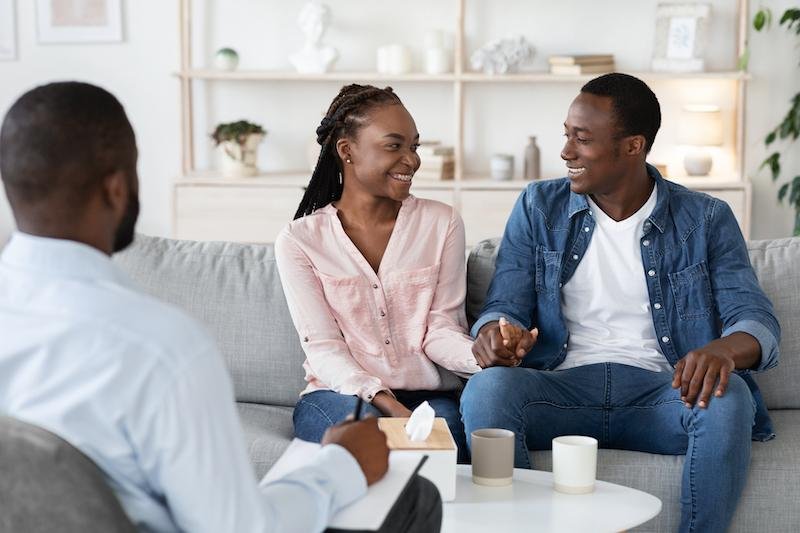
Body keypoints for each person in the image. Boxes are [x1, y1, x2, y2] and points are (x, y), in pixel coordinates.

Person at [0, 81, 441, 533]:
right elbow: (240, 528)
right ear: (117, 188)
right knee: (413, 498)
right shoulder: (162, 349)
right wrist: (343, 465)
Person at [460, 73, 780, 533]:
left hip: (664, 392)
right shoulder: (538, 205)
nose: (567, 151)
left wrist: (723, 350)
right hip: (562, 389)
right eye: (567, 135)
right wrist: (496, 333)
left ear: (633, 146)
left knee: (728, 400)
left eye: (582, 139)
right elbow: (504, 303)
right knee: (488, 390)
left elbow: (755, 318)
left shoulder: (706, 219)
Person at [276, 84, 494, 463]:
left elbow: (441, 329)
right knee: (362, 447)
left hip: (429, 396)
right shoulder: (300, 240)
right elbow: (324, 348)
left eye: (414, 146)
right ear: (347, 151)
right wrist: (387, 405)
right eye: (394, 146)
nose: (411, 160)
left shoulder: (441, 223)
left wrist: (483, 355)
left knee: (445, 458)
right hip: (339, 395)